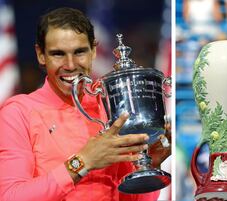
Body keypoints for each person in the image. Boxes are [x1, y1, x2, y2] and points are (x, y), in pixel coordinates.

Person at [0, 7, 170, 201]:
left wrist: (152, 165)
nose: (70, 65)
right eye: (58, 54)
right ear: (40, 55)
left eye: (79, 52)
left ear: (94, 51)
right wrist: (83, 162)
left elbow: (134, 198)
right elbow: (10, 196)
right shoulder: (18, 112)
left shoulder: (111, 106)